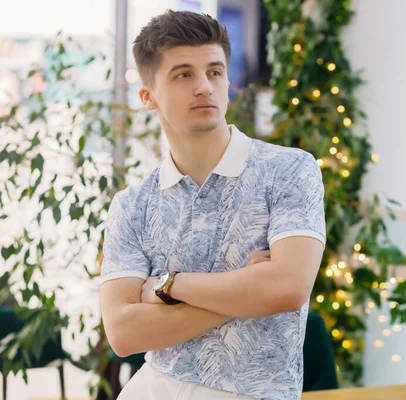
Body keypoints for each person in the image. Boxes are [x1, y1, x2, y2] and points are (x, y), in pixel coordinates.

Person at [99, 10, 326, 400]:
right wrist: (249, 293)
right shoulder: (132, 205)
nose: (204, 86)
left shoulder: (289, 170)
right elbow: (123, 333)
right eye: (183, 74)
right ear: (148, 96)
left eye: (215, 71)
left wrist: (169, 286)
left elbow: (288, 288)